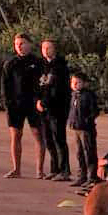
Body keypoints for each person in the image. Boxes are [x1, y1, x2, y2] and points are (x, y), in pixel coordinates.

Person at [1, 33, 45, 178]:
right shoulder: (10, 64)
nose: (19, 46)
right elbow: (5, 87)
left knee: (38, 135)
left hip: (34, 105)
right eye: (17, 44)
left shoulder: (38, 62)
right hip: (15, 105)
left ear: (29, 44)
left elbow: (43, 84)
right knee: (16, 136)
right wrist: (8, 104)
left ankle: (40, 171)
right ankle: (16, 170)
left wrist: (41, 100)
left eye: (22, 43)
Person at [36, 39, 72, 181]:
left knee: (59, 139)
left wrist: (46, 102)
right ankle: (54, 169)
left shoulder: (61, 66)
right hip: (43, 109)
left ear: (55, 49)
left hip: (57, 109)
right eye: (43, 47)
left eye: (49, 47)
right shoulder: (42, 65)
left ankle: (64, 171)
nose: (46, 50)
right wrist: (38, 101)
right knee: (48, 139)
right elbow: (38, 86)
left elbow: (58, 89)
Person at [65, 71, 100, 187]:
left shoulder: (88, 95)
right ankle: (82, 176)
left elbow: (94, 111)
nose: (75, 84)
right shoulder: (73, 95)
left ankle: (92, 177)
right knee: (79, 153)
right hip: (76, 128)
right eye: (73, 82)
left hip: (86, 129)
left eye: (78, 82)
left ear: (85, 84)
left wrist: (86, 121)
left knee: (89, 152)